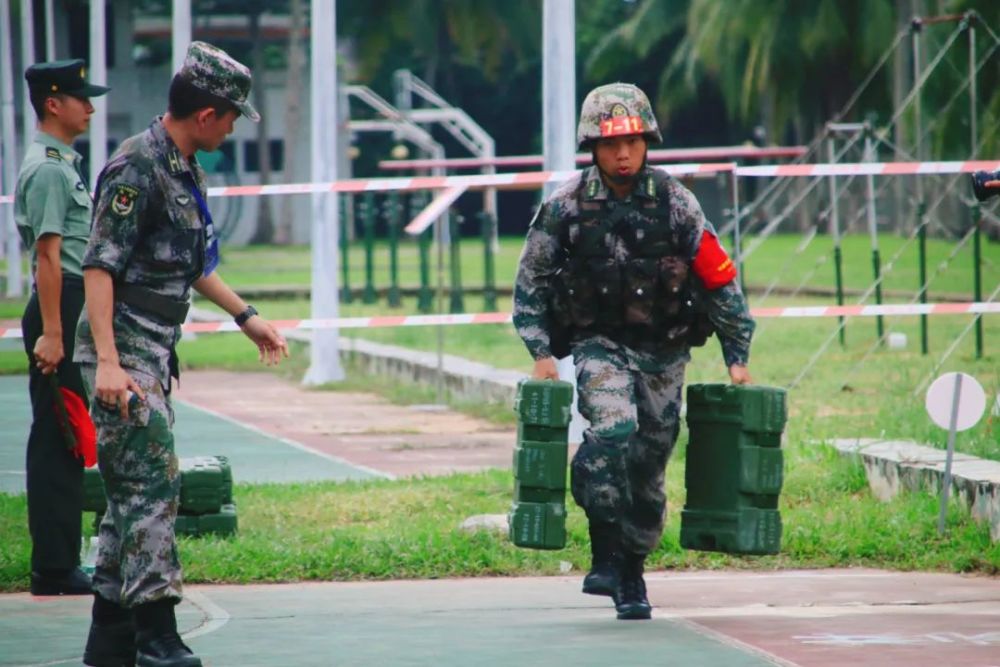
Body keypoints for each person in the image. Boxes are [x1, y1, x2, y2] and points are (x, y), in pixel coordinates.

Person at [74, 42, 288, 667]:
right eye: (230, 117)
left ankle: (109, 640)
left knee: (129, 498)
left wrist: (246, 316)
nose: (230, 128)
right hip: (123, 353)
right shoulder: (137, 168)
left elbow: (190, 264)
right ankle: (157, 635)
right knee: (153, 487)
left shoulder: (182, 164)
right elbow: (98, 267)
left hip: (152, 351)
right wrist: (110, 363)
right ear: (206, 115)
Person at [512, 83, 755, 621]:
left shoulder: (676, 202)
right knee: (612, 431)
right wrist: (540, 351)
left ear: (648, 143)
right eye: (609, 145)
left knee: (648, 473)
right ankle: (606, 555)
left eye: (633, 143)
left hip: (665, 353)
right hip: (601, 347)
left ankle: (632, 570)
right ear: (592, 148)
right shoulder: (565, 206)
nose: (623, 155)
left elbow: (719, 278)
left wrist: (736, 350)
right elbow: (529, 282)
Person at [15, 59, 110, 597]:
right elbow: (48, 257)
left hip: (69, 302)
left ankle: (59, 561)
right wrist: (53, 332)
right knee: (58, 436)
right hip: (61, 304)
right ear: (54, 104)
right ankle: (53, 567)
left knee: (68, 434)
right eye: (81, 98)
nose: (90, 107)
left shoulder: (60, 162)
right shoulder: (49, 168)